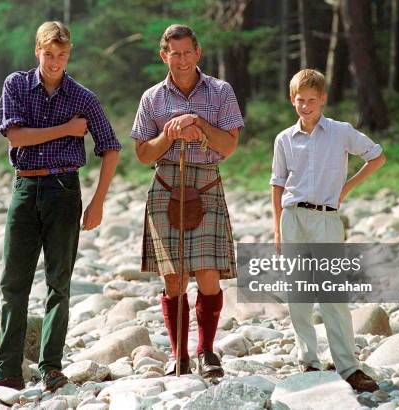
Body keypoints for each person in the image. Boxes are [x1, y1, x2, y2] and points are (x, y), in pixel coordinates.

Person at [0, 21, 121, 399]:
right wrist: (67, 129)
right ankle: (7, 374)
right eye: (48, 54)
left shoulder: (83, 96)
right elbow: (16, 135)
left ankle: (52, 369)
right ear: (37, 51)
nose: (55, 62)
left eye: (62, 55)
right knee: (13, 284)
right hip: (25, 186)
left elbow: (111, 146)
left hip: (64, 190)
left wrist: (98, 201)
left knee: (59, 284)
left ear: (69, 54)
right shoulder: (16, 85)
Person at [131, 24, 244, 377]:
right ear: (164, 55)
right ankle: (178, 355)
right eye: (173, 53)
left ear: (198, 53)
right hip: (166, 184)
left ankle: (206, 352)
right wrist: (170, 134)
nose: (181, 60)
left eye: (186, 52)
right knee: (174, 279)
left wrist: (198, 123)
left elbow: (227, 146)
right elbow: (142, 154)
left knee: (209, 275)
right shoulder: (152, 98)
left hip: (207, 184)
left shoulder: (221, 91)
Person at [270, 69, 386, 392]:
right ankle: (307, 361)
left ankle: (349, 367)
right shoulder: (284, 139)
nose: (305, 106)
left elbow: (376, 157)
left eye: (311, 100)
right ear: (292, 100)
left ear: (323, 99)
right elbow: (278, 184)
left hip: (326, 219)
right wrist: (277, 228)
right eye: (299, 100)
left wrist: (346, 189)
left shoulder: (340, 132)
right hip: (292, 219)